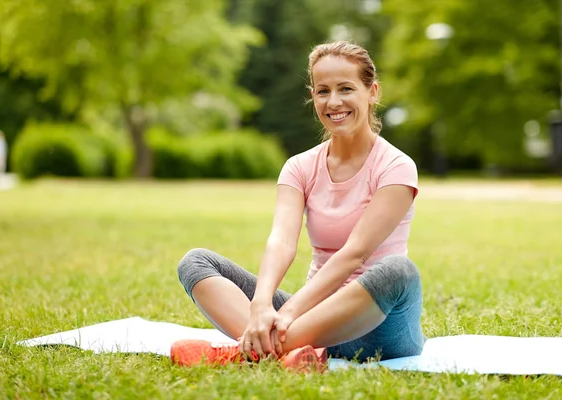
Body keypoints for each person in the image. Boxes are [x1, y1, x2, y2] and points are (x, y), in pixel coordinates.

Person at [172, 41, 426, 371]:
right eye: (323, 91)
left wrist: (288, 313)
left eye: (346, 88)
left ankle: (246, 352)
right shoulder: (299, 166)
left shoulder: (396, 166)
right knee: (196, 262)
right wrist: (262, 305)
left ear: (372, 91)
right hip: (313, 321)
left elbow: (355, 254)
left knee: (399, 271)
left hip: (377, 326)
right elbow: (281, 241)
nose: (333, 102)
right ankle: (286, 350)